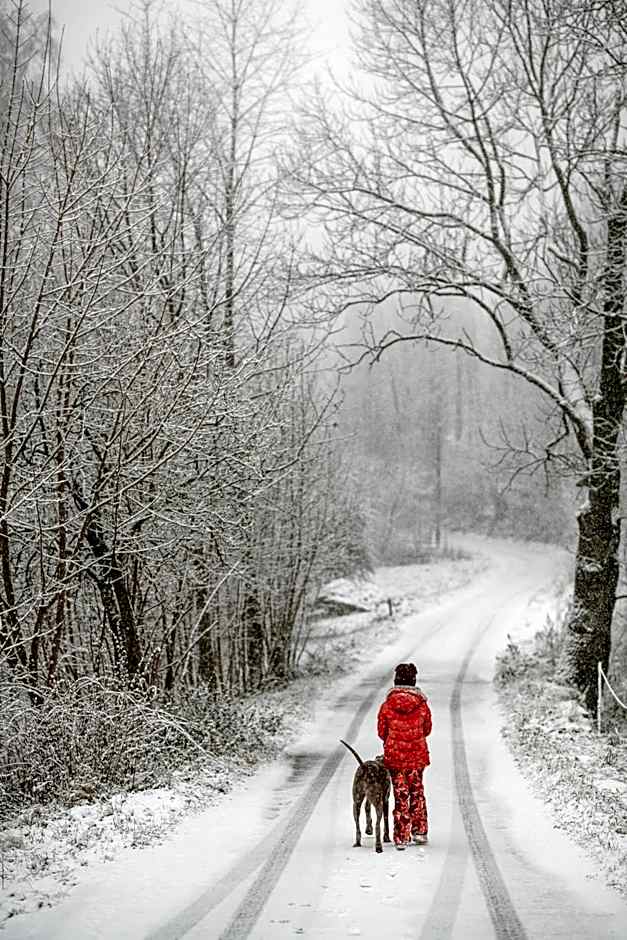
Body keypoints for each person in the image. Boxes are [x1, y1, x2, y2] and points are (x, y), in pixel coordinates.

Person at [377, 662, 432, 850]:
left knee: (400, 794)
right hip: (416, 757)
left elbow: (381, 731)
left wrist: (393, 740)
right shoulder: (422, 705)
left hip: (395, 758)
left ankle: (401, 836)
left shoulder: (387, 705)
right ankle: (420, 831)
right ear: (413, 680)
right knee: (417, 792)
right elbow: (427, 729)